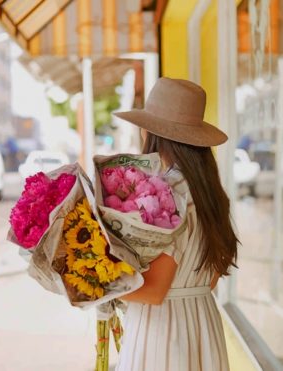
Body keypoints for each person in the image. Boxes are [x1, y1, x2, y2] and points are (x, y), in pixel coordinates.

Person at [113, 77, 239, 371]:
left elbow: (155, 291)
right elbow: (208, 278)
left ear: (150, 131)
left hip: (163, 334)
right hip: (202, 323)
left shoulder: (165, 193)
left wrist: (91, 285)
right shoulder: (211, 194)